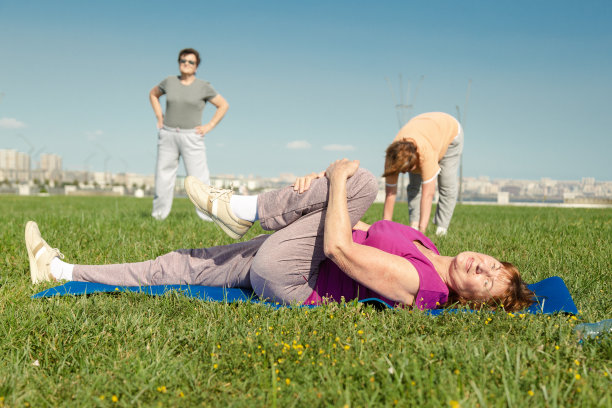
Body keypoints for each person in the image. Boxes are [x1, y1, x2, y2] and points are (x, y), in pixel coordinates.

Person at [25, 159, 534, 312]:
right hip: (295, 252)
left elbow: (338, 247)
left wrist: (335, 182)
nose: (482, 267)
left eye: (488, 282)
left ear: (474, 300)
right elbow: (351, 227)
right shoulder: (430, 248)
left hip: (293, 279)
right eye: (492, 263)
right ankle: (58, 268)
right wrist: (311, 192)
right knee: (179, 263)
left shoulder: (427, 287)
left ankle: (241, 208)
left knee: (356, 179)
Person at [149, 48, 229, 221]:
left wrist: (210, 125)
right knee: (163, 176)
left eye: (190, 62)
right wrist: (159, 116)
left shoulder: (204, 86)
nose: (186, 64)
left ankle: (207, 217)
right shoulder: (169, 81)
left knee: (199, 178)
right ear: (179, 63)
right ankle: (158, 216)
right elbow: (153, 94)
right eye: (183, 61)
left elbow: (223, 105)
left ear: (196, 66)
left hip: (192, 137)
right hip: (168, 134)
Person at [383, 112, 464, 236]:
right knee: (414, 185)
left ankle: (441, 229)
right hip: (422, 128)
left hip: (450, 132)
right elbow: (390, 193)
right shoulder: (393, 156)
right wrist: (385, 229)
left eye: (408, 169)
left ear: (416, 159)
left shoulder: (425, 153)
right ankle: (413, 225)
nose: (405, 173)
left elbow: (428, 194)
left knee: (446, 184)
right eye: (402, 171)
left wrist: (422, 232)